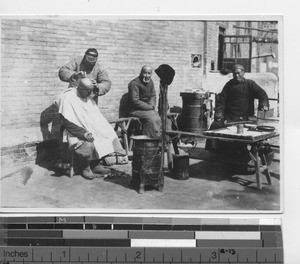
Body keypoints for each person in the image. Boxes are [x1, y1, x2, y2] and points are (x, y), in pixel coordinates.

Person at [205, 64, 270, 171]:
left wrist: (264, 104)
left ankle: (243, 156)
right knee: (215, 125)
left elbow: (262, 93)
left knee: (243, 135)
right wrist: (219, 114)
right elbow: (221, 101)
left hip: (246, 118)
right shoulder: (228, 85)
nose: (236, 75)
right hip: (230, 117)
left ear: (243, 73)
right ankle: (216, 152)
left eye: (239, 73)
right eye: (234, 73)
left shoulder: (250, 84)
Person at [58, 78, 124, 180]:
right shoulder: (67, 98)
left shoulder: (87, 97)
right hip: (73, 131)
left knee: (106, 134)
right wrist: (83, 133)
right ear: (79, 88)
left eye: (90, 91)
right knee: (89, 143)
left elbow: (95, 117)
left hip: (88, 128)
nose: (90, 94)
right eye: (88, 91)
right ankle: (86, 167)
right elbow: (67, 122)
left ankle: (95, 164)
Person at [128, 65, 162, 138]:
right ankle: (147, 141)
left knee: (157, 117)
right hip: (135, 110)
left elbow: (153, 95)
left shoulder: (150, 82)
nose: (147, 75)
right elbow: (135, 101)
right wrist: (149, 107)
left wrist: (152, 105)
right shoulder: (134, 84)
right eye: (145, 73)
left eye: (149, 73)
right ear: (141, 73)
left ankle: (155, 139)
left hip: (147, 110)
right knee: (152, 118)